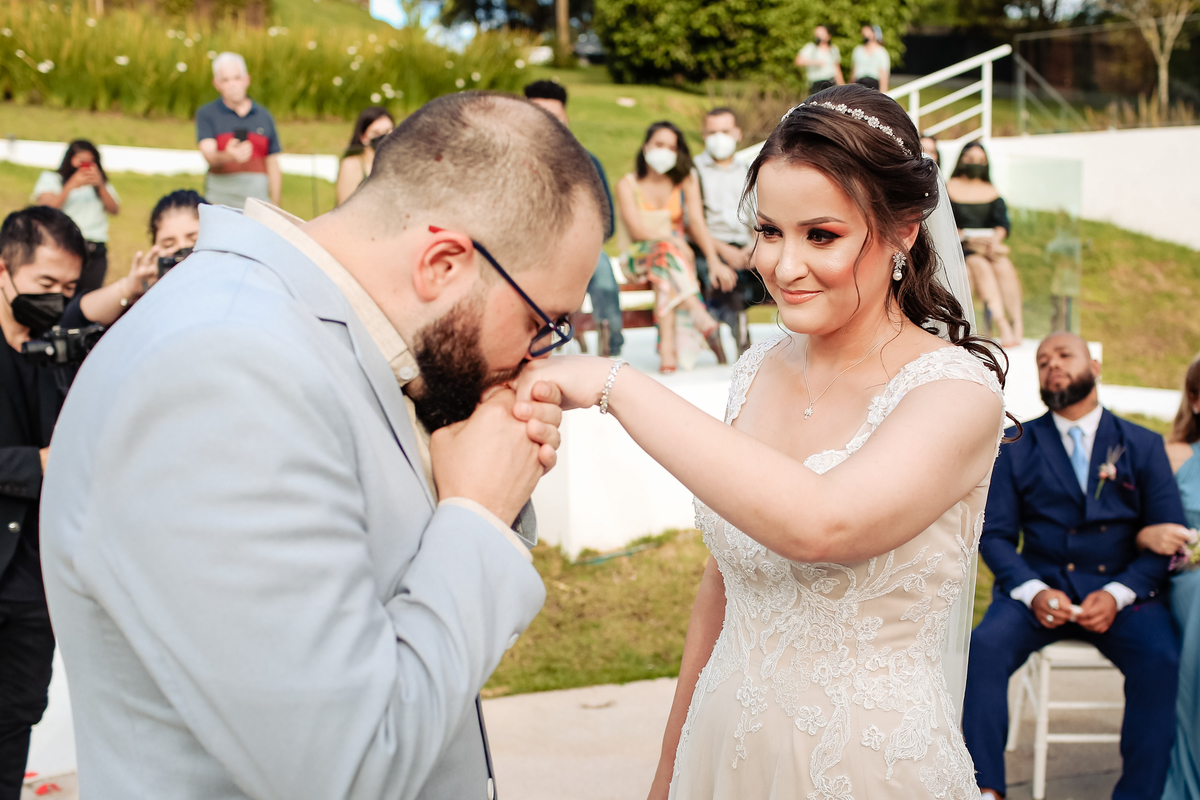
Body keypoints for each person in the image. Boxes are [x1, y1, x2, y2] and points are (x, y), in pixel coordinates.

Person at [40, 91, 609, 800]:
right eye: (540, 322)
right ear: (442, 263)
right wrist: (477, 520)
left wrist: (471, 479)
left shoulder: (317, 342)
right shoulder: (224, 370)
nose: (539, 358)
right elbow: (348, 766)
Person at [515, 84, 1008, 798]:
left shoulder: (955, 394)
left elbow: (821, 522)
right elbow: (722, 585)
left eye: (822, 235)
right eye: (770, 231)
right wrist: (669, 766)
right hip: (726, 747)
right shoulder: (755, 372)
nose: (782, 266)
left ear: (904, 231)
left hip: (866, 768)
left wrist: (616, 383)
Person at [963, 331, 1186, 800]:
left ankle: (1139, 794)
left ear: (1095, 368)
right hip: (1040, 592)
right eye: (1043, 361)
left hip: (1122, 595)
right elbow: (997, 535)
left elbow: (1167, 534)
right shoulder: (1015, 443)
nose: (1052, 366)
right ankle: (986, 791)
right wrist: (1034, 591)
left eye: (1064, 356)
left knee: (1162, 661)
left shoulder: (1142, 445)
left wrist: (1119, 594)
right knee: (983, 648)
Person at [0, 206, 85, 799]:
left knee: (16, 718)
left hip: (35, 581)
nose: (57, 300)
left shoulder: (58, 353)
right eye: (45, 286)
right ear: (4, 273)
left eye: (69, 289)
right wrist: (37, 464)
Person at [616, 121, 736, 373]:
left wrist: (714, 260)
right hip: (638, 256)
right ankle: (699, 314)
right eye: (659, 144)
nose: (665, 151)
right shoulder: (628, 184)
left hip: (671, 262)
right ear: (645, 146)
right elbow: (638, 231)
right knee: (665, 254)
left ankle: (667, 352)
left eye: (671, 147)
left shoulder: (685, 180)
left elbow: (698, 223)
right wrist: (674, 240)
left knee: (666, 274)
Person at [524, 79, 624, 356]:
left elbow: (608, 223)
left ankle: (611, 348)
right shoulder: (515, 165)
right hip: (531, 250)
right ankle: (537, 348)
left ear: (566, 118)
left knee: (603, 277)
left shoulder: (588, 163)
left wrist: (577, 243)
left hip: (582, 247)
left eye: (554, 117)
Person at [1138, 355, 1200, 800]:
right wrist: (1150, 534)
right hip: (1189, 578)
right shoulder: (1175, 455)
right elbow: (1132, 530)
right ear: (1195, 401)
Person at [61, 189, 208, 329]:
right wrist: (130, 288)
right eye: (168, 244)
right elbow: (73, 319)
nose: (182, 249)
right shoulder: (148, 294)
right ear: (155, 248)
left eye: (194, 239)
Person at [948, 141, 1023, 347]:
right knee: (981, 266)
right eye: (971, 159)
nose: (975, 164)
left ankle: (1017, 323)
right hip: (961, 248)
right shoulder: (948, 188)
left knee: (1004, 266)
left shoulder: (992, 191)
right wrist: (965, 236)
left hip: (986, 247)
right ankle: (1001, 323)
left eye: (980, 160)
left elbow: (1001, 223)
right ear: (962, 160)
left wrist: (995, 239)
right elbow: (944, 223)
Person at [692, 107, 754, 356]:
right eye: (712, 132)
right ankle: (742, 341)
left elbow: (758, 217)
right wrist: (724, 252)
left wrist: (754, 246)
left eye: (725, 131)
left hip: (745, 245)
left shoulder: (747, 170)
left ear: (737, 133)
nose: (719, 138)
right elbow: (693, 223)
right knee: (725, 279)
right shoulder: (693, 170)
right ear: (704, 135)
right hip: (709, 246)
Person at [32, 140, 120, 296]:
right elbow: (45, 209)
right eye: (81, 161)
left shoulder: (100, 184)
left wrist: (100, 186)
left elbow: (114, 209)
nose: (85, 166)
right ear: (70, 159)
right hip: (64, 245)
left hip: (94, 249)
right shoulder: (53, 179)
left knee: (88, 298)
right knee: (59, 295)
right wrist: (70, 186)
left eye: (90, 162)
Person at [196, 52, 282, 209]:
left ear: (246, 79)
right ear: (216, 83)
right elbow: (209, 155)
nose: (232, 84)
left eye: (236, 78)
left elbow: (273, 163)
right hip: (219, 203)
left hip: (258, 205)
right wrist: (228, 156)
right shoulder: (207, 114)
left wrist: (275, 204)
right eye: (225, 80)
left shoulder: (264, 115)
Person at [336, 106, 395, 206]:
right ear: (363, 137)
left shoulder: (398, 162)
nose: (384, 136)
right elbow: (343, 210)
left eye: (388, 131)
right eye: (377, 133)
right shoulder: (352, 165)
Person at [795, 25, 843, 93]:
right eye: (817, 34)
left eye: (822, 34)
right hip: (817, 84)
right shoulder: (811, 48)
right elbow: (798, 61)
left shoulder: (833, 49)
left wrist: (842, 87)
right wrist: (814, 62)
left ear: (828, 35)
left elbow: (837, 70)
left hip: (831, 82)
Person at [851, 25, 890, 91]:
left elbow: (884, 75)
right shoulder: (858, 50)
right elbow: (853, 72)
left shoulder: (882, 52)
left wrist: (883, 93)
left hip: (874, 85)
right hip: (859, 85)